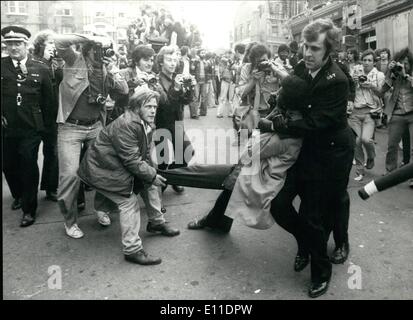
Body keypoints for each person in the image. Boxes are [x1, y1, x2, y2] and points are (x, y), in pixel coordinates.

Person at [262, 19, 356, 298]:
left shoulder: (337, 80)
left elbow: (315, 123)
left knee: (317, 211)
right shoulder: (303, 67)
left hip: (331, 152)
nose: (307, 53)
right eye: (305, 46)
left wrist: (275, 126)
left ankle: (320, 270)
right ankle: (307, 243)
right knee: (278, 204)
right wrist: (275, 109)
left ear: (329, 49)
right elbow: (292, 98)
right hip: (305, 147)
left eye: (314, 48)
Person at [187, 75, 308, 232]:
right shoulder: (289, 115)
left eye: (282, 90)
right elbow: (260, 126)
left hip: (267, 174)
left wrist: (267, 126)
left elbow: (253, 148)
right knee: (234, 177)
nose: (278, 92)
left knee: (234, 178)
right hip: (267, 165)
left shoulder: (287, 127)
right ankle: (218, 220)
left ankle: (214, 220)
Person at [78, 86, 179, 265]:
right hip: (102, 170)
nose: (153, 111)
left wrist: (152, 174)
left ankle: (156, 222)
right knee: (129, 202)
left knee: (151, 182)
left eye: (155, 107)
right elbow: (132, 160)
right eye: (148, 106)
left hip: (115, 166)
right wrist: (151, 174)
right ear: (136, 106)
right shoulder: (126, 124)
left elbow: (145, 154)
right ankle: (132, 249)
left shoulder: (145, 122)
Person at [54, 33, 128, 239]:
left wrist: (113, 67)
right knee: (69, 175)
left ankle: (102, 209)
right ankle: (70, 222)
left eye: (104, 48)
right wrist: (89, 36)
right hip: (70, 128)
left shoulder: (106, 67)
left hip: (95, 126)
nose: (100, 52)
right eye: (97, 48)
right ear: (87, 48)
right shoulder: (73, 60)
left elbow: (123, 90)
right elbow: (59, 42)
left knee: (109, 167)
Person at [1, 26, 54, 226]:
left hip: (31, 127)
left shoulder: (40, 68)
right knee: (7, 165)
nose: (13, 48)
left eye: (18, 43)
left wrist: (48, 130)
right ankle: (19, 195)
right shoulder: (1, 65)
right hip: (7, 126)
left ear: (26, 45)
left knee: (28, 164)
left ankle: (29, 210)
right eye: (9, 44)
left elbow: (49, 102)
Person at [153, 45, 195, 194]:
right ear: (161, 62)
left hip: (177, 121)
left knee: (186, 152)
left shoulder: (176, 77)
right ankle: (166, 179)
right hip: (161, 122)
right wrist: (176, 89)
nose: (172, 63)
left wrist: (190, 89)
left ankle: (171, 178)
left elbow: (186, 101)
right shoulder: (156, 80)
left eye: (174, 60)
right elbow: (165, 105)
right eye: (168, 60)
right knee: (163, 158)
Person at [32, 29, 64, 202]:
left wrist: (57, 60)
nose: (54, 47)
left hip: (52, 116)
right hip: (35, 116)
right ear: (41, 45)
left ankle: (50, 187)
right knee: (30, 155)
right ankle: (24, 193)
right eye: (51, 43)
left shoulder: (55, 63)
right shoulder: (34, 62)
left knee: (52, 152)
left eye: (55, 44)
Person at [347, 49, 385, 181]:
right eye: (364, 60)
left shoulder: (379, 75)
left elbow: (381, 94)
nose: (366, 63)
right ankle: (359, 171)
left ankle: (371, 156)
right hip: (355, 113)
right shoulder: (356, 71)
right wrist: (353, 80)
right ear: (361, 61)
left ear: (374, 62)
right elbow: (348, 88)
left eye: (370, 60)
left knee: (366, 139)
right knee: (356, 142)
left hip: (370, 112)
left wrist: (371, 86)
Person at [381, 47, 413, 187]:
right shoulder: (394, 76)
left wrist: (405, 74)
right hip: (397, 114)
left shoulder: (409, 75)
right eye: (400, 63)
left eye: (406, 63)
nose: (403, 66)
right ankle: (390, 173)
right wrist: (390, 72)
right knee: (392, 145)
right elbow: (382, 90)